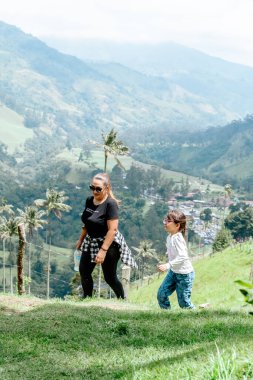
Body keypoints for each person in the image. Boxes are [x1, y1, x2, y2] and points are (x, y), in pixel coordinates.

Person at [76, 172, 137, 299]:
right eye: (92, 187)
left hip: (109, 244)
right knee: (84, 271)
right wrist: (81, 239)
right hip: (90, 240)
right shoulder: (89, 200)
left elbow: (112, 230)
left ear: (107, 188)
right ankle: (87, 299)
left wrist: (103, 251)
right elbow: (87, 223)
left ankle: (122, 299)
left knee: (110, 277)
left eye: (98, 189)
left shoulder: (110, 204)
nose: (94, 191)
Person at [157, 210, 195, 309]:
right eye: (165, 220)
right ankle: (167, 315)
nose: (165, 223)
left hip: (184, 275)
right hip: (174, 272)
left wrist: (168, 265)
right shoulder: (169, 237)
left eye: (168, 221)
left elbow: (183, 256)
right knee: (161, 294)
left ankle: (196, 316)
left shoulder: (178, 238)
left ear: (177, 225)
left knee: (184, 303)